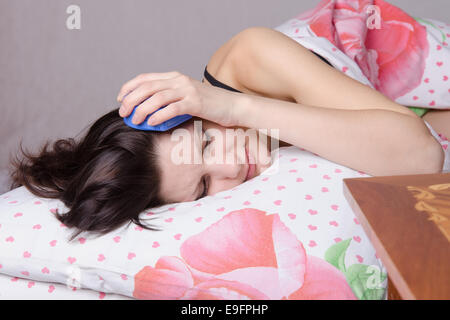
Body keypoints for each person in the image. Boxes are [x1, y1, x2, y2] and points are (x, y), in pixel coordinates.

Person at [8, 8, 448, 237]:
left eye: (203, 145)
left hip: (391, 53)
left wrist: (238, 109)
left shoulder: (251, 56)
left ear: (195, 110)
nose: (230, 170)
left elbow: (421, 154)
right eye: (203, 186)